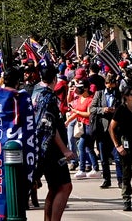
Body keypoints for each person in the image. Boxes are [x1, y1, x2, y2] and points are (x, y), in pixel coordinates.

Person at [31, 70, 76, 221]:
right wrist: (65, 150)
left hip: (40, 148)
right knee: (65, 186)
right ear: (54, 79)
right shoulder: (48, 97)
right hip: (52, 149)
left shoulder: (35, 93)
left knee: (54, 187)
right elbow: (50, 126)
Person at [88, 73, 122, 189]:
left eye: (113, 86)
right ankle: (106, 179)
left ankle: (120, 179)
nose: (111, 88)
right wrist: (103, 109)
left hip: (115, 130)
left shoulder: (118, 94)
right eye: (109, 86)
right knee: (103, 158)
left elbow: (123, 107)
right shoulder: (99, 94)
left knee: (117, 157)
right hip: (102, 130)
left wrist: (115, 111)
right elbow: (92, 108)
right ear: (105, 84)